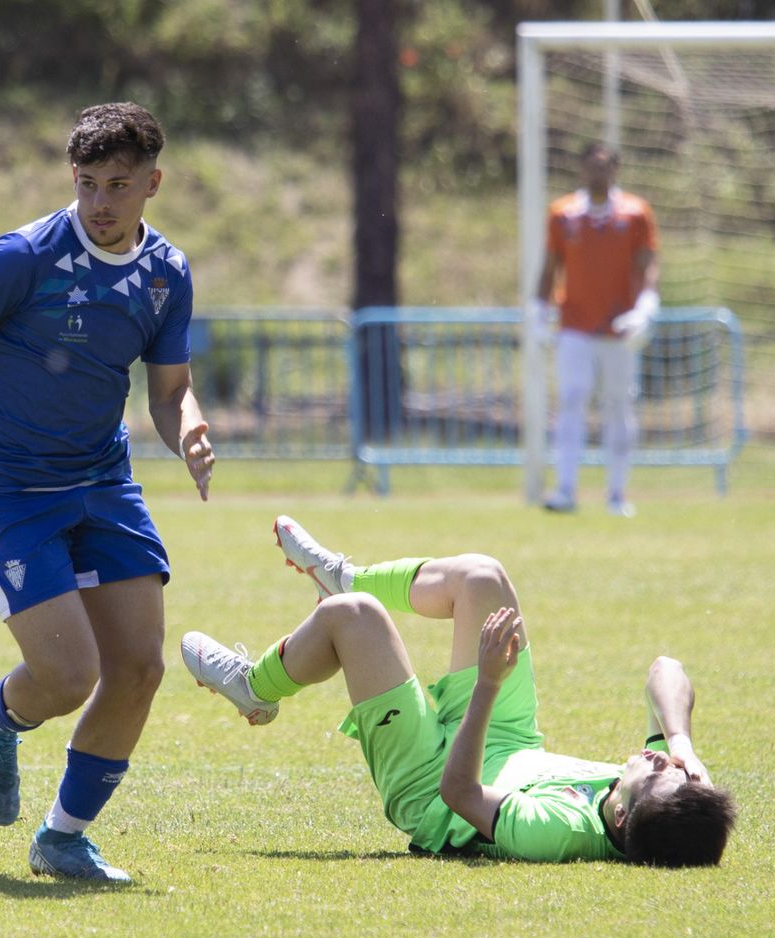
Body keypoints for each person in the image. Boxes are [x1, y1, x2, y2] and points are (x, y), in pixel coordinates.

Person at [0, 102, 214, 884]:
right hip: (5, 486)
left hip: (101, 477)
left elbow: (170, 391)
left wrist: (190, 427)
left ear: (152, 184)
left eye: (119, 185)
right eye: (89, 183)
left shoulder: (166, 274)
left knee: (138, 668)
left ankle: (63, 837)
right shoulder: (23, 257)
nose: (101, 202)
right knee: (69, 677)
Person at [181, 515, 736, 866]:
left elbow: (459, 794)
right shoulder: (655, 787)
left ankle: (254, 689)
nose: (656, 757)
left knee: (353, 618)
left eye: (658, 770)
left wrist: (489, 684)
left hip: (432, 781)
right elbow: (667, 669)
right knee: (482, 578)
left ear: (619, 819)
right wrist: (684, 744)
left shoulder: (558, 833)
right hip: (506, 739)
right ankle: (347, 574)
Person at [530, 142, 660, 518]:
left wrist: (647, 305)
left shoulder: (635, 213)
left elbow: (648, 264)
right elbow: (551, 265)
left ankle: (617, 493)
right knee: (572, 399)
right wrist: (539, 310)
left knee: (619, 405)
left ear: (615, 169)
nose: (597, 173)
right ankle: (565, 489)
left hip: (618, 326)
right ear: (581, 169)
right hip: (575, 323)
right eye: (591, 166)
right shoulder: (563, 213)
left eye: (604, 166)